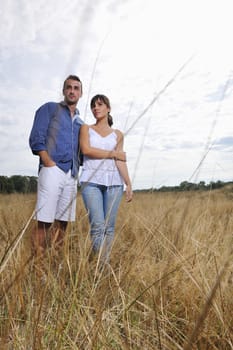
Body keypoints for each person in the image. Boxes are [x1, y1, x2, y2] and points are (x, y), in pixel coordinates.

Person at [29, 75, 84, 255]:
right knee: (44, 221)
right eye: (69, 87)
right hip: (52, 169)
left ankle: (55, 261)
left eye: (76, 88)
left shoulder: (80, 122)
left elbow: (82, 150)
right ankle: (37, 267)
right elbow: (37, 136)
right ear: (63, 90)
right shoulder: (50, 109)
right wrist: (47, 161)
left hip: (71, 175)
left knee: (63, 222)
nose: (72, 91)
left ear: (81, 93)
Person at [79, 94, 133, 263]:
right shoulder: (86, 129)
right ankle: (103, 267)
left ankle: (103, 265)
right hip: (91, 181)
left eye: (100, 104)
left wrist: (128, 183)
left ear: (108, 108)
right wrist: (113, 153)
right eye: (93, 105)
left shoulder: (118, 134)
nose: (96, 108)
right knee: (97, 226)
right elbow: (86, 151)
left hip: (114, 184)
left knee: (109, 228)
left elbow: (120, 160)